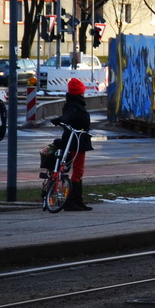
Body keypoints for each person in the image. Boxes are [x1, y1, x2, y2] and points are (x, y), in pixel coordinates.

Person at [51, 78, 95, 211]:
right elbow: (69, 116)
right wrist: (60, 120)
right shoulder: (75, 106)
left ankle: (77, 200)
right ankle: (72, 201)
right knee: (78, 170)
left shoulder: (73, 104)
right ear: (80, 92)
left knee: (76, 170)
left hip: (75, 140)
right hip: (76, 141)